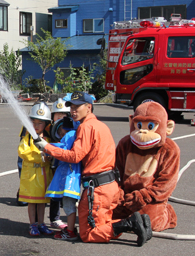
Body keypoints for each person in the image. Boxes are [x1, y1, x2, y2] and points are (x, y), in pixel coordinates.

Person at [35, 91, 152, 246]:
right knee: (102, 225)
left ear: (88, 107)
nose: (73, 110)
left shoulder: (86, 127)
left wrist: (47, 147)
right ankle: (140, 222)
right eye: (71, 107)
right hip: (109, 186)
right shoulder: (100, 125)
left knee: (87, 233)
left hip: (97, 189)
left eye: (77, 106)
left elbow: (74, 156)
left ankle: (131, 223)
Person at [18, 102, 54, 237]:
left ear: (46, 125)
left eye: (40, 123)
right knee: (32, 201)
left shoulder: (48, 139)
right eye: (34, 122)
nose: (36, 126)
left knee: (42, 202)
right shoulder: (27, 139)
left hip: (44, 175)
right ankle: (33, 224)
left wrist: (50, 157)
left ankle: (41, 223)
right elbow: (23, 152)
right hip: (32, 175)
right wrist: (40, 157)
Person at [45, 117, 82, 240]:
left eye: (61, 128)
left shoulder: (71, 135)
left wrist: (47, 147)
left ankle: (70, 231)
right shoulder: (76, 134)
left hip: (68, 176)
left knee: (68, 205)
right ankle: (70, 229)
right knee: (68, 205)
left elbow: (63, 149)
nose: (60, 132)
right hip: (71, 175)